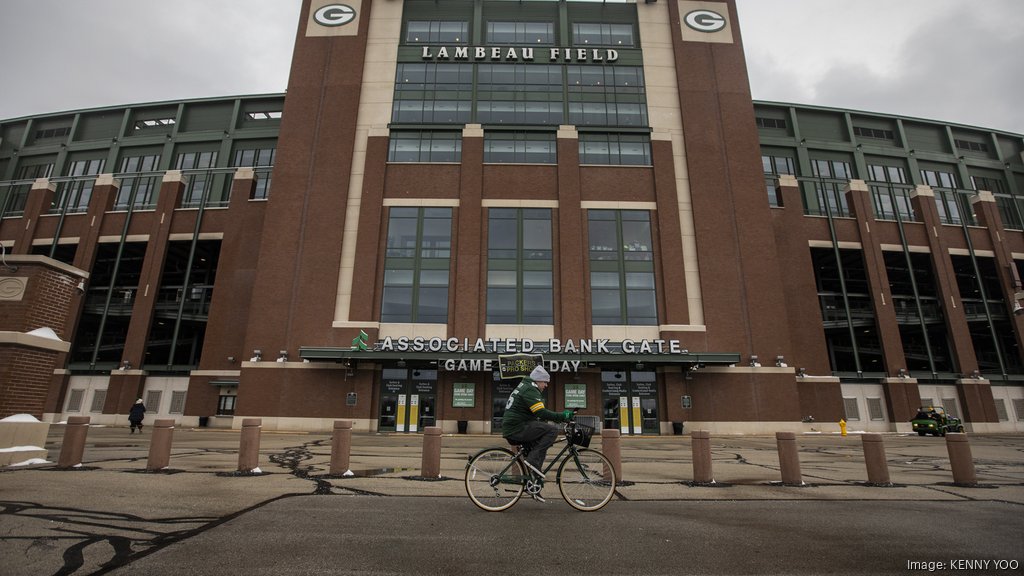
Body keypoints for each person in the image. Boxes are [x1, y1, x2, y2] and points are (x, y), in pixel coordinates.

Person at [501, 365, 573, 501]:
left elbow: (537, 413)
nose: (546, 385)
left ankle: (534, 483)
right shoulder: (530, 389)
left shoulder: (526, 387)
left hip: (517, 426)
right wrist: (562, 416)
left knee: (540, 443)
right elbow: (540, 412)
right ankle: (532, 460)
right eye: (545, 382)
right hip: (517, 428)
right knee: (552, 430)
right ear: (538, 380)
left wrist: (556, 417)